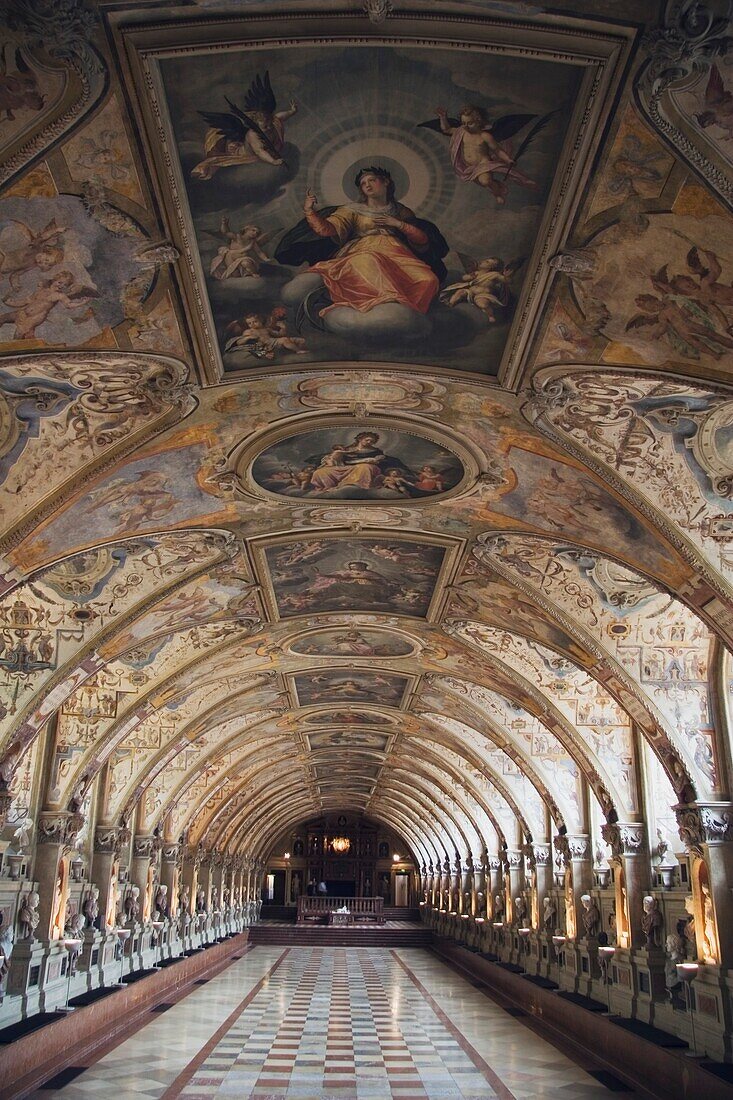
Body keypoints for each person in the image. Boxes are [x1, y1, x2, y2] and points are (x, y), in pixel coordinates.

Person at [275, 165, 447, 315]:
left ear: (385, 182)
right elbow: (326, 229)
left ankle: (408, 315)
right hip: (363, 252)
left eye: (371, 180)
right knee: (371, 262)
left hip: (398, 254)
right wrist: (309, 211)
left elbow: (422, 240)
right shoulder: (352, 210)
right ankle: (385, 310)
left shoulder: (402, 211)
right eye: (363, 184)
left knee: (428, 280)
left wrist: (398, 224)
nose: (367, 185)